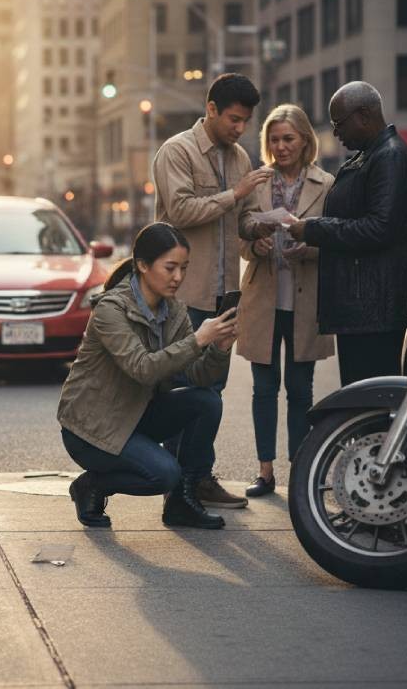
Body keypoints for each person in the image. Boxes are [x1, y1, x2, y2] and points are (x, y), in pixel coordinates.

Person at [57, 222, 238, 530]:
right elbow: (142, 369)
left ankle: (182, 502)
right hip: (91, 430)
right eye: (170, 268)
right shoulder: (110, 311)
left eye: (184, 268)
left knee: (207, 401)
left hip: (135, 416)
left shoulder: (174, 312)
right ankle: (93, 485)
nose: (178, 277)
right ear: (142, 265)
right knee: (163, 473)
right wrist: (197, 340)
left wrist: (219, 348)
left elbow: (198, 376)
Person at [152, 72, 270, 509]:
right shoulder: (177, 152)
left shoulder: (240, 157)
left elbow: (241, 220)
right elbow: (180, 211)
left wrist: (258, 230)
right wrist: (234, 193)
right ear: (212, 109)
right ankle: (178, 482)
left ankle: (198, 478)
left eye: (246, 122)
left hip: (226, 294)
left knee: (212, 393)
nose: (240, 129)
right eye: (234, 119)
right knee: (181, 392)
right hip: (183, 295)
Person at [287, 81, 407, 386]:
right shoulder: (372, 155)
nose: (336, 133)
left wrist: (312, 229)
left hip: (374, 307)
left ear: (363, 115)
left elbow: (380, 228)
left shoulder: (389, 156)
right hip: (363, 306)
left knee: (370, 395)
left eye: (339, 123)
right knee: (359, 393)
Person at [236, 104, 335, 497]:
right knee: (263, 390)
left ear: (305, 140)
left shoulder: (325, 184)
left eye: (288, 138)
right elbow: (241, 231)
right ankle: (265, 472)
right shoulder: (256, 181)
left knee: (301, 391)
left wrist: (308, 248)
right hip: (263, 300)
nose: (281, 146)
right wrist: (256, 244)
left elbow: (334, 240)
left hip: (305, 302)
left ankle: (299, 469)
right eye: (274, 139)